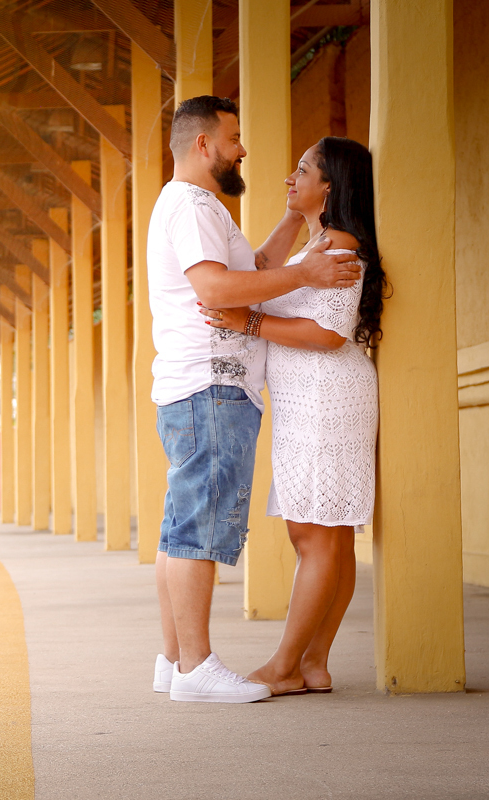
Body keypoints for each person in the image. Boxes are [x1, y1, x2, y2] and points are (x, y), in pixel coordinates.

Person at [147, 97, 362, 703]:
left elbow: (256, 269)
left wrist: (293, 228)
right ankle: (196, 669)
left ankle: (174, 661)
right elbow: (217, 289)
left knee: (180, 529)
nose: (244, 149)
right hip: (211, 384)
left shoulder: (201, 207)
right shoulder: (191, 206)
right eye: (235, 137)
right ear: (204, 145)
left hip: (203, 386)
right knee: (198, 530)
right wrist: (305, 275)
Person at [201, 137, 386, 696]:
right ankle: (314, 664)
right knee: (325, 535)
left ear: (329, 186)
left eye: (302, 170)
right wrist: (293, 212)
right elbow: (262, 271)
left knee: (317, 535)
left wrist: (247, 325)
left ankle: (286, 665)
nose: (288, 176)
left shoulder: (340, 246)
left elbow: (329, 336)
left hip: (329, 399)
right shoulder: (317, 243)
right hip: (308, 403)